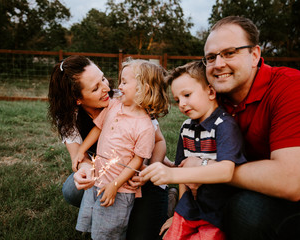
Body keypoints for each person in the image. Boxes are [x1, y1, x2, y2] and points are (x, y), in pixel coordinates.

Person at [182, 16, 300, 239]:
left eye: (229, 53)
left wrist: (206, 168)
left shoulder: (290, 87)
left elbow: (291, 180)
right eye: (211, 57)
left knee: (247, 210)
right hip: (252, 185)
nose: (218, 64)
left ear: (254, 55)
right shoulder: (216, 99)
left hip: (292, 198)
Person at [48, 55, 170, 239]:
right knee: (72, 189)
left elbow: (159, 141)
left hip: (139, 174)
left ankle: (167, 200)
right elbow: (79, 158)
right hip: (108, 172)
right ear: (77, 99)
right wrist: (86, 170)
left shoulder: (127, 99)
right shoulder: (69, 117)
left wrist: (149, 171)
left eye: (103, 78)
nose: (107, 87)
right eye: (96, 88)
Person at [140, 61, 247, 239]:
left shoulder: (224, 126)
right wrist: (179, 212)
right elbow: (183, 171)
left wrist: (171, 175)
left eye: (187, 95)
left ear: (211, 92)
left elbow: (226, 171)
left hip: (216, 211)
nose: (181, 104)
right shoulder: (186, 127)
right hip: (189, 207)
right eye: (177, 100)